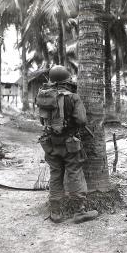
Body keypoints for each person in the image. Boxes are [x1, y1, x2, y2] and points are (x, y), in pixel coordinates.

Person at [37, 65, 98, 223]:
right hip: (70, 143)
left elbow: (42, 120)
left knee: (56, 175)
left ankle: (56, 212)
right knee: (75, 173)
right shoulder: (73, 97)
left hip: (50, 143)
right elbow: (82, 120)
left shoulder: (44, 95)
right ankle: (80, 211)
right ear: (67, 79)